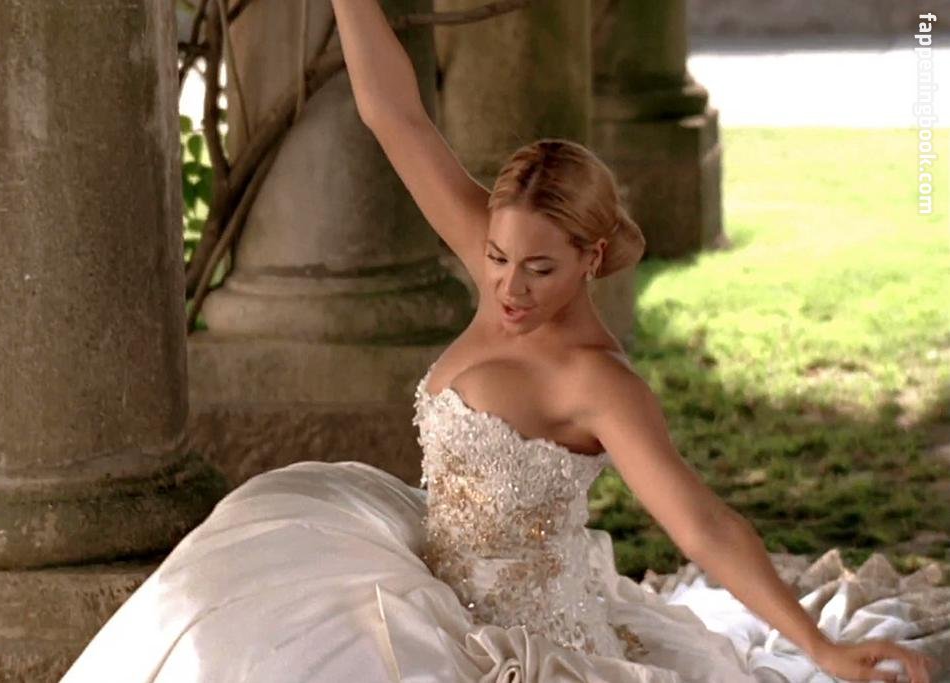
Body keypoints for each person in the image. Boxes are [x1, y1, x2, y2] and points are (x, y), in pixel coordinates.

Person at [61, 2, 947, 681]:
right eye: (495, 257)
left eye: (539, 269)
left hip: (522, 637)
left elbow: (705, 526)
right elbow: (393, 114)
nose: (508, 290)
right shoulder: (496, 262)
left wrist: (820, 647)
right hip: (426, 578)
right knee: (240, 585)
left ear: (592, 256)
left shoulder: (598, 384)